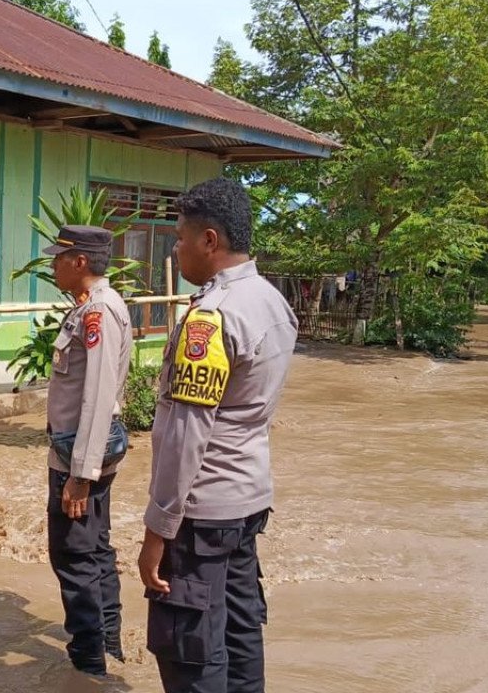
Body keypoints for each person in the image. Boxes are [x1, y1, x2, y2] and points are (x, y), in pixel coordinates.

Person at [138, 178, 298, 693]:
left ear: (210, 240)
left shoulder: (211, 318)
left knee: (193, 651)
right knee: (240, 631)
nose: (176, 248)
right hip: (248, 501)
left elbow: (186, 434)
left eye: (180, 238)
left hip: (202, 513)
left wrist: (157, 531)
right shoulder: (272, 302)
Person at [42, 225, 133, 677]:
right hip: (88, 450)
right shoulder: (94, 307)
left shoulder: (97, 312)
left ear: (79, 261)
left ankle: (88, 662)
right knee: (95, 548)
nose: (52, 265)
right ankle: (108, 641)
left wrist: (80, 474)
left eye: (58, 258)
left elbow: (97, 397)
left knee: (75, 555)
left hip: (80, 455)